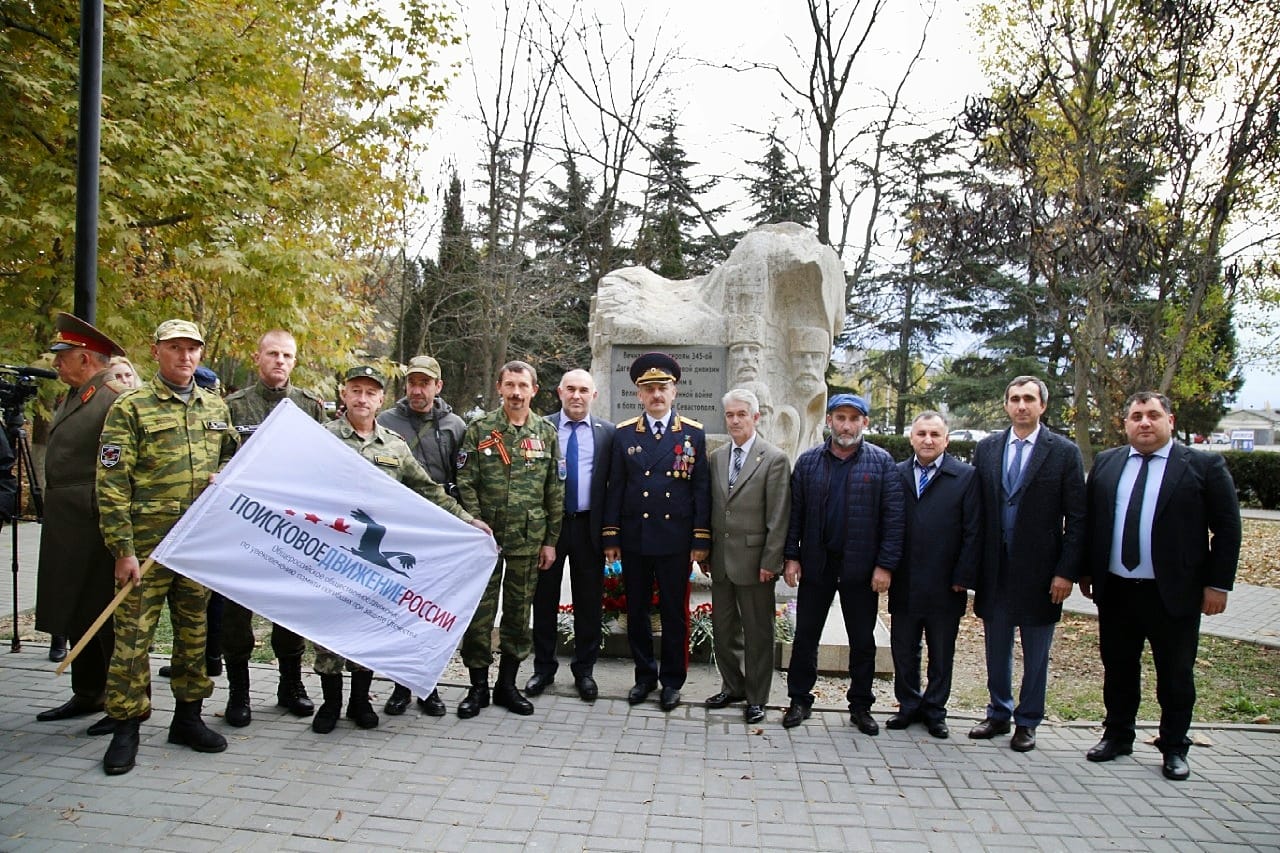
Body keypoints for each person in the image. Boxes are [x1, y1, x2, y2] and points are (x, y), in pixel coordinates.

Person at [97, 319, 239, 776]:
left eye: (192, 349)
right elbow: (112, 482)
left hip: (196, 546)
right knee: (133, 638)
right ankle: (126, 726)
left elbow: (233, 461)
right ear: (156, 352)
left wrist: (227, 475)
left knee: (194, 635)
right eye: (175, 348)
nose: (185, 357)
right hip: (145, 547)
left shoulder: (214, 406)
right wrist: (122, 549)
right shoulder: (130, 407)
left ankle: (188, 718)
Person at [315, 365, 489, 734]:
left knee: (366, 623)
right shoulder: (323, 438)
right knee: (329, 631)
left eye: (370, 393)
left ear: (380, 399)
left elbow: (427, 489)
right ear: (344, 394)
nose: (362, 399)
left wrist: (466, 519)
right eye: (355, 391)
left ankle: (360, 702)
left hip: (373, 557)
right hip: (331, 552)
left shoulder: (394, 445)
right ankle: (330, 704)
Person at [1080, 392, 1241, 780]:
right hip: (1117, 589)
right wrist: (1086, 570)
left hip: (1174, 593)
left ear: (1169, 419)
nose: (1145, 423)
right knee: (1118, 668)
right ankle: (1117, 735)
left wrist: (1218, 585)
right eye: (1136, 416)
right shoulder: (1107, 463)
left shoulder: (1201, 465)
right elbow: (1091, 522)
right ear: (1126, 424)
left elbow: (1228, 527)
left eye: (1153, 415)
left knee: (1175, 674)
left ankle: (1173, 746)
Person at [969, 376, 1085, 753]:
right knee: (996, 646)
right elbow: (975, 513)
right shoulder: (986, 449)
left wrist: (1066, 571)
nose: (1022, 405)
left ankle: (1029, 719)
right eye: (1015, 399)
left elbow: (1078, 518)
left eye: (1029, 399)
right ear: (1006, 405)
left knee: (1036, 653)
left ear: (1042, 406)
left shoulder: (1063, 452)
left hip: (1041, 574)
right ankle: (998, 712)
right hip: (994, 569)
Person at [219, 330, 327, 727]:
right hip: (244, 528)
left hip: (291, 530)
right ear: (257, 357)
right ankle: (239, 693)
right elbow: (221, 460)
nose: (280, 361)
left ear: (295, 361)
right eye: (272, 354)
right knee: (237, 617)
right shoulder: (233, 407)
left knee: (289, 611)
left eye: (287, 355)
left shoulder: (309, 407)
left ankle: (290, 686)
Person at [780, 393, 904, 735]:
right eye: (839, 417)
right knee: (806, 636)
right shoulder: (808, 463)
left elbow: (893, 519)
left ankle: (861, 706)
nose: (845, 425)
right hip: (817, 563)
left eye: (853, 418)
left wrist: (885, 565)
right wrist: (791, 556)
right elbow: (795, 515)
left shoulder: (881, 462)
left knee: (862, 639)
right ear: (829, 421)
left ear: (864, 422)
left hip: (861, 568)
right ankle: (799, 700)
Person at [34, 313, 128, 736]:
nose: (56, 364)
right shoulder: (77, 396)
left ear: (86, 359)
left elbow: (121, 468)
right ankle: (87, 691)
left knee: (103, 616)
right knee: (78, 609)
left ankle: (117, 699)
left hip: (95, 524)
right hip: (69, 523)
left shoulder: (112, 398)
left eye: (63, 357)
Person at [603, 352, 711, 713]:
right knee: (636, 611)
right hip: (635, 537)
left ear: (674, 391)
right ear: (639, 394)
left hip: (674, 540)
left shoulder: (693, 434)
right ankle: (644, 676)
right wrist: (611, 536)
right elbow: (615, 487)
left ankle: (672, 681)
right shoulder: (623, 435)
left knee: (674, 613)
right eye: (649, 389)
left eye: (662, 387)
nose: (656, 395)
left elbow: (700, 490)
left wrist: (700, 539)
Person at [455, 361, 562, 719]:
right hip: (483, 542)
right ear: (499, 387)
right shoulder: (480, 429)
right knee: (480, 617)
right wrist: (474, 520)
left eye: (523, 386)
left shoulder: (546, 433)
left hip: (527, 541)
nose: (516, 393)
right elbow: (465, 480)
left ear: (534, 390)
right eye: (510, 385)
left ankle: (507, 686)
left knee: (518, 615)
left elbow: (555, 490)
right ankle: (477, 687)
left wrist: (550, 541)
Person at [376, 353, 465, 717]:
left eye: (425, 383)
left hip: (438, 526)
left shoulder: (455, 425)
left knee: (431, 611)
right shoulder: (386, 421)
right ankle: (400, 686)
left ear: (437, 386)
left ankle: (428, 686)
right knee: (400, 609)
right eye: (412, 382)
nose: (417, 389)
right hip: (397, 526)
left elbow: (464, 478)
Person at [887, 411, 981, 739]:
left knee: (941, 652)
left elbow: (973, 531)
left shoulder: (966, 477)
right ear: (912, 438)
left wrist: (963, 575)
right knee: (904, 648)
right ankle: (908, 704)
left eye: (935, 435)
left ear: (946, 440)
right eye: (922, 433)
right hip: (905, 581)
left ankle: (935, 709)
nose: (928, 440)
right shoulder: (896, 474)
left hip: (946, 582)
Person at [526, 369, 613, 702]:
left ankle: (585, 671)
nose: (577, 396)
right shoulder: (540, 428)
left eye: (584, 390)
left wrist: (610, 534)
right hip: (551, 527)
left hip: (589, 527)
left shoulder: (607, 433)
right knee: (544, 599)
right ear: (559, 392)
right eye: (571, 390)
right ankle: (543, 668)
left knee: (589, 603)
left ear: (594, 395)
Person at [704, 388, 790, 724]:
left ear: (756, 417)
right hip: (722, 561)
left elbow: (778, 516)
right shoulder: (717, 457)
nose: (736, 420)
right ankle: (733, 686)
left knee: (758, 633)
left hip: (756, 563)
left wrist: (772, 561)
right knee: (723, 631)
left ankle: (756, 697)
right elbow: (714, 508)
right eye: (730, 415)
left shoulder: (774, 459)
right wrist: (707, 551)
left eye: (742, 414)